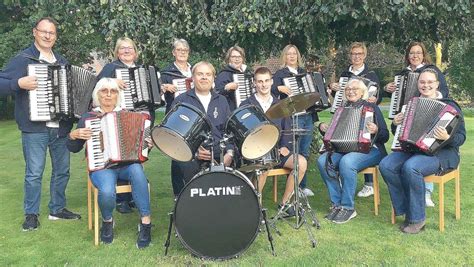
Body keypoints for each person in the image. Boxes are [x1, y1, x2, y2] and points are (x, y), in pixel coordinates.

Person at [0, 17, 81, 231]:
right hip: (34, 128)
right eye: (44, 31)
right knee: (34, 173)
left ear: (55, 36)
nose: (47, 36)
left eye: (52, 33)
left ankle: (57, 208)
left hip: (60, 127)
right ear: (35, 32)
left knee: (62, 171)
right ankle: (31, 214)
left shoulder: (62, 63)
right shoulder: (22, 60)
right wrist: (18, 83)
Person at [67, 78, 152, 247]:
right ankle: (107, 221)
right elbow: (74, 148)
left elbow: (141, 148)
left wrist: (147, 145)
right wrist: (73, 135)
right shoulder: (88, 118)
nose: (108, 95)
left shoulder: (128, 114)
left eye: (113, 91)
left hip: (128, 164)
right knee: (106, 190)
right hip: (102, 167)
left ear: (117, 95)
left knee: (138, 173)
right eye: (103, 91)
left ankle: (146, 223)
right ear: (97, 95)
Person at [379, 68, 465, 234]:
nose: (426, 85)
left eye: (430, 82)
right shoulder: (411, 105)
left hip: (441, 153)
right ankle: (406, 208)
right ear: (418, 84)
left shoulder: (450, 106)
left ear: (437, 84)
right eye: (422, 82)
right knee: (386, 165)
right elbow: (401, 133)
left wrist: (447, 137)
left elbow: (461, 138)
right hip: (413, 150)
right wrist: (395, 123)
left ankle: (417, 219)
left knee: (411, 167)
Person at [384, 41, 449, 207]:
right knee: (406, 148)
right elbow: (396, 97)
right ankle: (410, 192)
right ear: (407, 55)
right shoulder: (402, 74)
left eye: (418, 52)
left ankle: (425, 191)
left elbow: (444, 94)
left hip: (430, 112)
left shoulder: (432, 71)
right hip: (407, 114)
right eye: (411, 53)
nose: (415, 55)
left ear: (424, 54)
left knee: (426, 147)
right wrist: (389, 88)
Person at [317, 78, 389, 224]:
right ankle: (336, 204)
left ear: (363, 92)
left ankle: (348, 207)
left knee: (347, 162)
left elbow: (385, 136)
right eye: (348, 89)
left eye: (355, 89)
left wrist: (376, 130)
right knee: (322, 160)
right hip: (344, 149)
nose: (351, 91)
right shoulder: (341, 110)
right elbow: (334, 135)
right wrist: (324, 128)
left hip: (371, 150)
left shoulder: (371, 108)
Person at [241, 67, 307, 216]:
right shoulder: (246, 105)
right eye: (260, 81)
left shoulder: (280, 104)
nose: (263, 85)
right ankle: (254, 208)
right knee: (263, 166)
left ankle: (285, 204)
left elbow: (287, 128)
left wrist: (284, 146)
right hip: (256, 152)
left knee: (301, 163)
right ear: (254, 83)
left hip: (278, 150)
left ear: (271, 82)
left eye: (266, 81)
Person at [170, 61, 234, 195]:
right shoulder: (181, 101)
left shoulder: (222, 101)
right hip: (190, 155)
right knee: (182, 164)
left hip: (217, 152)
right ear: (193, 78)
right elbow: (173, 136)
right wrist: (194, 152)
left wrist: (229, 153)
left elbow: (229, 131)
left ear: (213, 78)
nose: (204, 77)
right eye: (200, 74)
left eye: (208, 74)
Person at [96, 37, 144, 214]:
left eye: (129, 48)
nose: (126, 51)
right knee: (120, 154)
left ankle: (133, 196)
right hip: (117, 117)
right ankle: (121, 199)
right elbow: (97, 86)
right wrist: (113, 82)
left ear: (135, 51)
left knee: (136, 156)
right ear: (117, 52)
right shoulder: (111, 68)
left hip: (138, 118)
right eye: (122, 48)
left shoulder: (141, 70)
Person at [328, 42, 382, 198]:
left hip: (365, 112)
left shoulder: (371, 74)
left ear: (364, 55)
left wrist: (372, 100)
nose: (356, 57)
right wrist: (334, 88)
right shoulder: (345, 74)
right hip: (346, 111)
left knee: (364, 139)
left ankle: (369, 183)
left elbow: (375, 97)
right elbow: (340, 96)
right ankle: (339, 180)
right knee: (346, 138)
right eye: (353, 54)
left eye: (359, 54)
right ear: (350, 56)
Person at [271, 44, 318, 197]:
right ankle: (294, 188)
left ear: (298, 56)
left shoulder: (304, 73)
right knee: (293, 151)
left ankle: (302, 186)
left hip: (307, 115)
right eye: (288, 54)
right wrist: (279, 89)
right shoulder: (280, 74)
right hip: (292, 117)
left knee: (304, 150)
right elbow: (270, 90)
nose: (291, 57)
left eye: (294, 54)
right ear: (284, 57)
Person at [215, 45, 253, 110]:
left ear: (243, 59)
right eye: (234, 57)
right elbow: (216, 94)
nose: (237, 59)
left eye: (239, 57)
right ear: (229, 58)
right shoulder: (223, 74)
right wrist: (226, 88)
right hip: (231, 112)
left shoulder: (247, 73)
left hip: (247, 110)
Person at [161, 38, 193, 114]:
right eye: (179, 50)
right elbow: (157, 96)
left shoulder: (195, 70)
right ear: (173, 52)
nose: (182, 52)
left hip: (195, 111)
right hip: (174, 112)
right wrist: (164, 87)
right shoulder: (166, 73)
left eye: (185, 50)